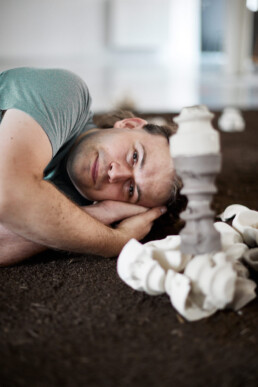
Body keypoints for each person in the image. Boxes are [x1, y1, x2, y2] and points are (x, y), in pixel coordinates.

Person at [0, 67, 177, 266]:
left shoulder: (75, 206)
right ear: (129, 125)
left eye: (131, 189)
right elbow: (10, 194)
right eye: (134, 156)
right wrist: (117, 241)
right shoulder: (65, 93)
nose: (115, 173)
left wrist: (103, 214)